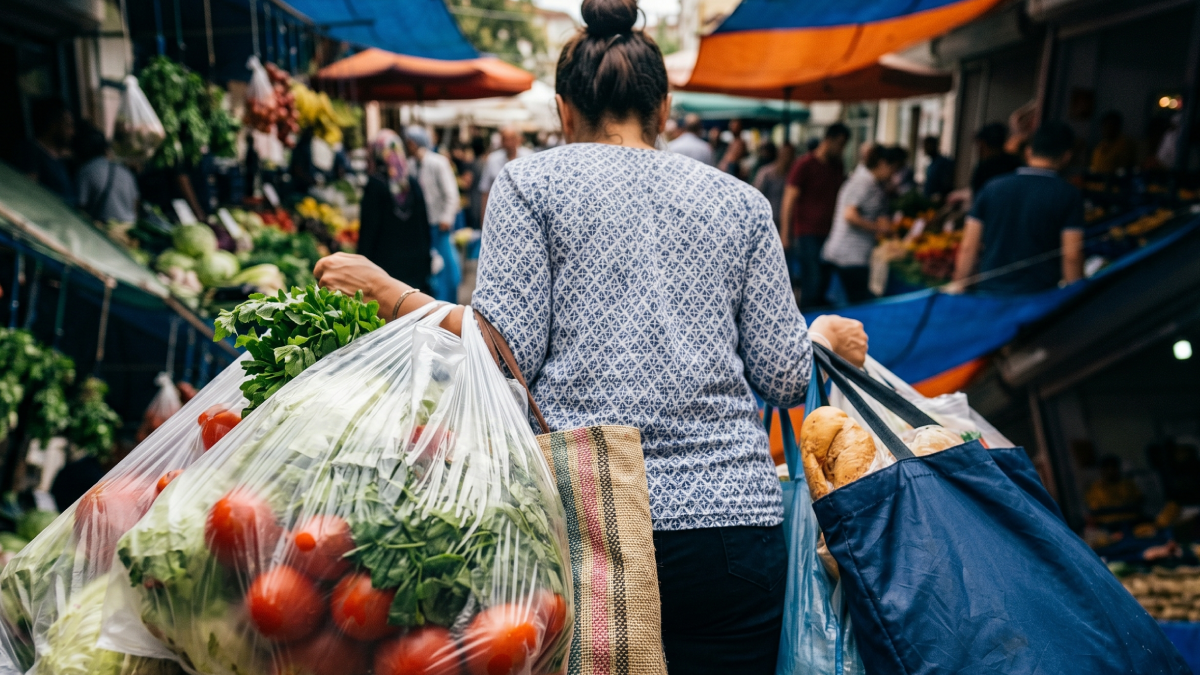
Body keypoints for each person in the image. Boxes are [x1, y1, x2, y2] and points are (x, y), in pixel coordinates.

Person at [313, 1, 868, 671]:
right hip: (736, 539)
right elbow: (784, 376)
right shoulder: (741, 201)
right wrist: (821, 334)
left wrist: (390, 294)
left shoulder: (529, 184)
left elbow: (500, 355)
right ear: (663, 107)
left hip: (594, 527)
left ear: (561, 110)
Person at [953, 122, 1085, 295]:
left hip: (989, 295)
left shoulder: (992, 187)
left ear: (1028, 152)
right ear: (1067, 156)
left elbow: (969, 247)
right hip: (1037, 301)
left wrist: (959, 286)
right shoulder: (1069, 195)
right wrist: (1076, 297)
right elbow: (1072, 256)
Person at [821, 145, 906, 304]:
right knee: (856, 304)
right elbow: (850, 216)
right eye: (894, 169)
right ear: (882, 164)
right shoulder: (862, 182)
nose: (894, 175)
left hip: (853, 256)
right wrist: (880, 229)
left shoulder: (872, 184)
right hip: (848, 257)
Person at [780, 123, 850, 310]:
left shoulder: (837, 166)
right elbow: (789, 200)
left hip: (831, 233)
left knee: (823, 283)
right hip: (807, 233)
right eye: (840, 144)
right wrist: (786, 234)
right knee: (812, 281)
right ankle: (808, 322)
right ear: (829, 140)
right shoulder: (804, 165)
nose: (841, 149)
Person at [356, 130, 430, 290]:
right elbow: (424, 226)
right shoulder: (412, 183)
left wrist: (361, 264)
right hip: (415, 268)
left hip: (385, 270)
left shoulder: (375, 185)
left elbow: (368, 230)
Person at [75, 122, 139, 224]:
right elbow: (135, 205)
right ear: (106, 150)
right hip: (128, 230)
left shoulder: (86, 171)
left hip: (103, 229)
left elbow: (80, 207)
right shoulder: (125, 172)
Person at [15, 97, 76, 205]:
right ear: (53, 125)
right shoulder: (30, 152)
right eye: (68, 125)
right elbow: (29, 193)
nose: (72, 132)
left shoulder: (59, 157)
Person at [478, 126, 532, 223]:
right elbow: (485, 190)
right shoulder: (492, 159)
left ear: (518, 140)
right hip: (499, 214)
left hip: (524, 215)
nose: (508, 143)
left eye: (511, 139)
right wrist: (483, 220)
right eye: (505, 140)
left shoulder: (529, 157)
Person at [1086, 456, 1143, 528]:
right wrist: (1122, 508)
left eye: (1113, 467)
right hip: (1108, 524)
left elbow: (1139, 501)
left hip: (1132, 521)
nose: (1111, 471)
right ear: (1102, 470)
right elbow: (1095, 509)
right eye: (1107, 468)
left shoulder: (1127, 484)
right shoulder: (1096, 487)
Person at [970, 122, 1022, 194]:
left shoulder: (983, 169)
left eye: (978, 145)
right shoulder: (1017, 163)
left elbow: (977, 196)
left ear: (982, 144)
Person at [753, 142, 794, 230]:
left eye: (789, 155)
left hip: (786, 222)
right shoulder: (766, 173)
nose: (787, 158)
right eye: (785, 154)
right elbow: (755, 196)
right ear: (779, 154)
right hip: (768, 220)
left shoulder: (793, 175)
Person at [1090, 111, 1137, 175]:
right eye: (1104, 126)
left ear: (1117, 127)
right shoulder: (1101, 144)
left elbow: (1121, 170)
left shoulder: (1123, 145)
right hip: (1094, 180)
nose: (1106, 129)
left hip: (1111, 182)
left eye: (1110, 126)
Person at [922, 136, 954, 204]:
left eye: (926, 145)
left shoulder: (944, 162)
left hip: (939, 201)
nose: (924, 149)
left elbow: (947, 182)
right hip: (929, 200)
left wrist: (941, 194)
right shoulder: (931, 164)